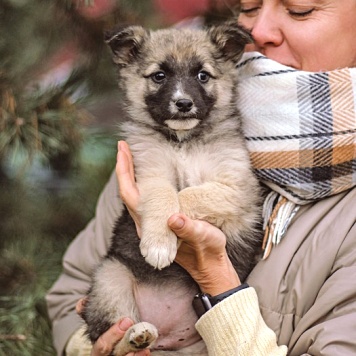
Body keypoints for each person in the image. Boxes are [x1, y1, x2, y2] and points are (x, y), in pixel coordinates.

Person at [46, 0, 356, 355]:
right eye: (250, 7)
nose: (260, 31)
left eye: (300, 10)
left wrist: (213, 276)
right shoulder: (152, 148)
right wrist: (91, 348)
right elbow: (70, 295)